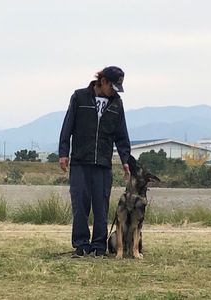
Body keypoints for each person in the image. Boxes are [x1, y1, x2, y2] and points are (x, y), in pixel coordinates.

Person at [59, 66, 131, 258]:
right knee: (80, 206)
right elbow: (68, 125)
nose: (114, 91)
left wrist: (125, 159)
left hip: (103, 163)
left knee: (101, 206)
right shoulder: (79, 97)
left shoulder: (117, 104)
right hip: (80, 161)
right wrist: (63, 152)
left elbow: (122, 134)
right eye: (112, 86)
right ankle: (81, 245)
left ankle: (99, 246)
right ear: (103, 81)